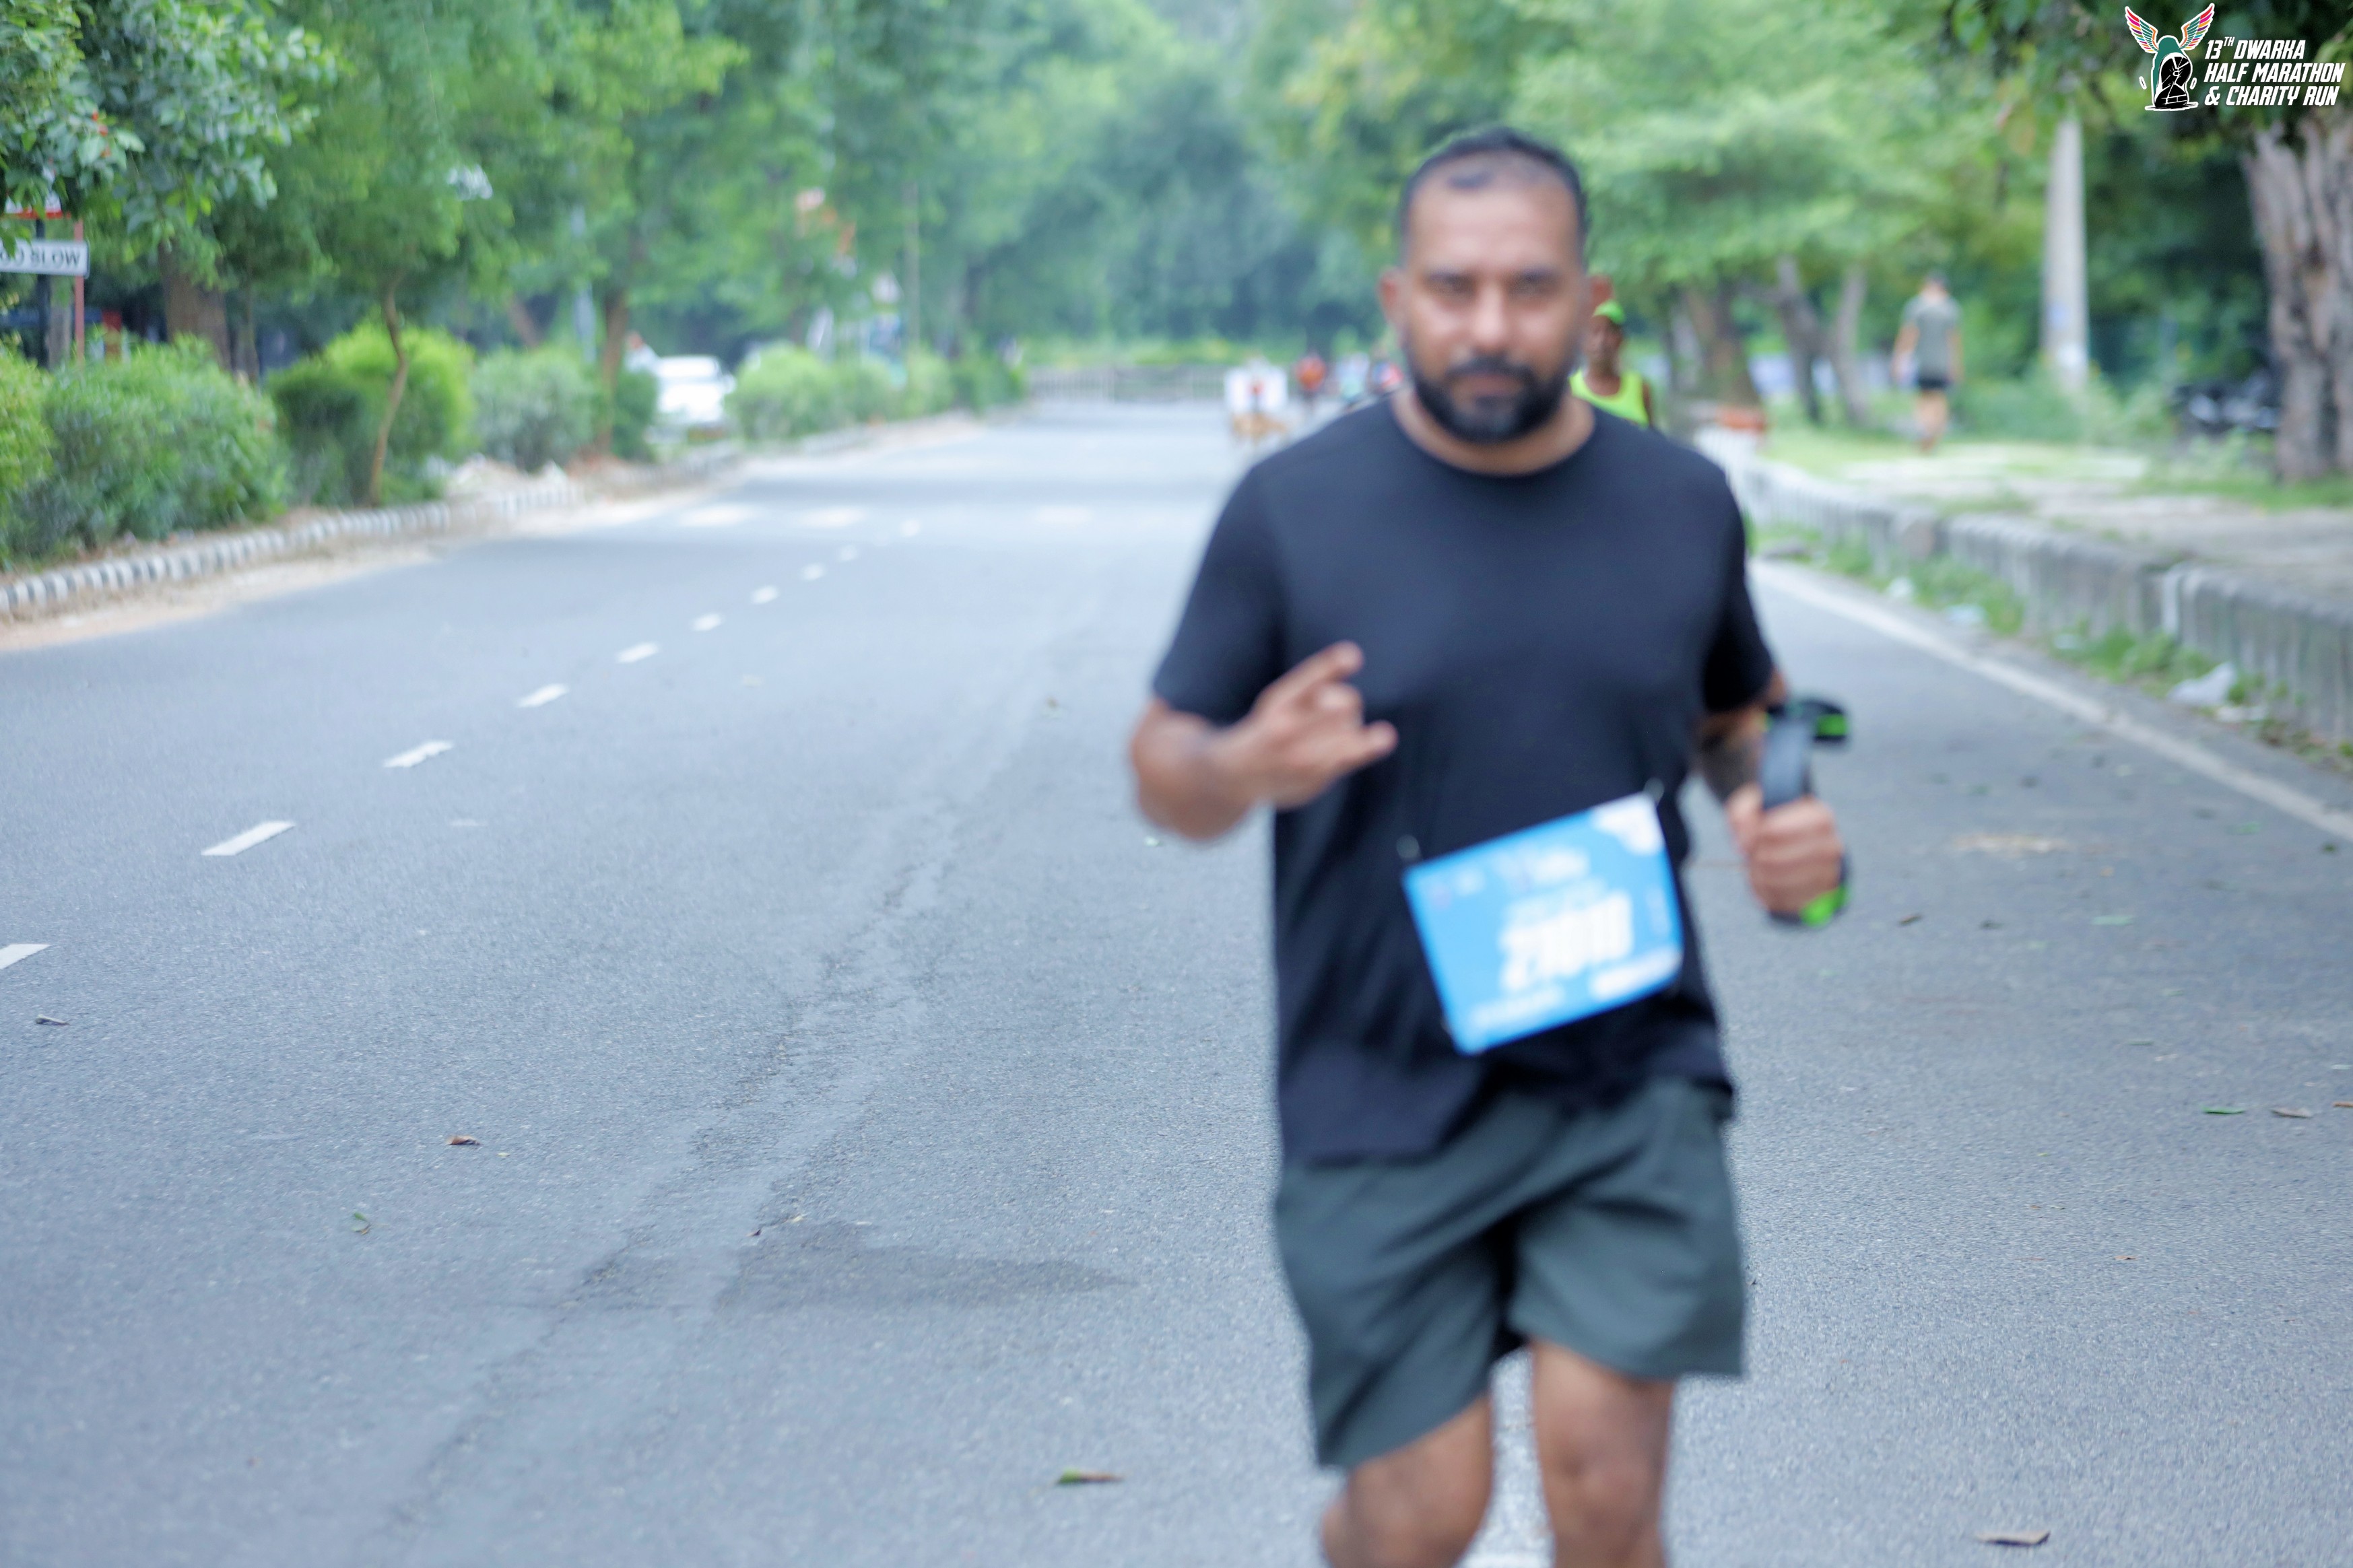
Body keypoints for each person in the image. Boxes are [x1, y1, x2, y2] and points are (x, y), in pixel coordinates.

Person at [1129, 126, 1844, 1568]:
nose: (1490, 325)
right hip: (1377, 1083)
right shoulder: (1294, 511)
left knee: (1606, 1490)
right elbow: (1165, 765)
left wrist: (1776, 815)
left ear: (1589, 300)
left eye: (1529, 287)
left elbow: (1735, 713)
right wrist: (1242, 764)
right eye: (1453, 288)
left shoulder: (1676, 504)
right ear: (1398, 298)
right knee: (1421, 1513)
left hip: (1626, 1070)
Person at [1892, 273, 1962, 452]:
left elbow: (1909, 334)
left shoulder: (1916, 306)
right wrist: (1956, 364)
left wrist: (1899, 359)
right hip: (1943, 363)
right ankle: (1934, 432)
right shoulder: (1950, 308)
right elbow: (1953, 339)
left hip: (1921, 361)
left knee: (1923, 397)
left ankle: (1925, 429)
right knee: (1939, 398)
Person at [1567, 300, 1655, 428]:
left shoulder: (1640, 389)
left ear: (1621, 338)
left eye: (1609, 331)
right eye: (1594, 331)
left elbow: (1652, 436)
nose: (1601, 341)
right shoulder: (1569, 391)